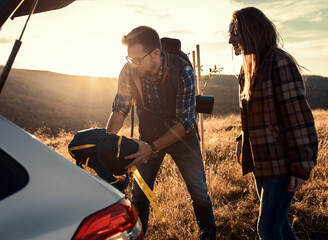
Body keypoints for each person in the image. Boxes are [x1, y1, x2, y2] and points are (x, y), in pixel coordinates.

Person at [106, 26, 217, 239]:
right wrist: (105, 140)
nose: (133, 65)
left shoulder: (182, 70)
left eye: (138, 59)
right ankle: (139, 235)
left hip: (183, 139)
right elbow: (120, 108)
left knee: (199, 193)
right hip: (147, 137)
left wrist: (153, 148)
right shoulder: (129, 71)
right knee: (139, 196)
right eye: (130, 59)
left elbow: (185, 121)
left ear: (156, 53)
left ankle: (209, 235)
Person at [229, 7, 318, 240]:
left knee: (267, 228)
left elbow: (298, 117)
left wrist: (300, 166)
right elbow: (253, 115)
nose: (231, 40)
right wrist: (242, 140)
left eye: (235, 33)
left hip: (282, 163)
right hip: (262, 162)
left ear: (251, 31)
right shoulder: (248, 66)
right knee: (279, 225)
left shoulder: (279, 63)